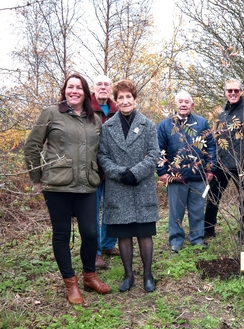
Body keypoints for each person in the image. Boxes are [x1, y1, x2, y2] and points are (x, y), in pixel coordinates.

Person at [24, 73, 110, 304]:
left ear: (85, 92)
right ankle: (70, 283)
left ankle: (89, 276)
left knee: (91, 234)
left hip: (87, 185)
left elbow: (102, 152)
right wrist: (37, 179)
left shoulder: (95, 119)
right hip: (57, 186)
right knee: (61, 234)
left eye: (78, 88)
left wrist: (99, 175)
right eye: (70, 87)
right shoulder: (51, 113)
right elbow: (31, 146)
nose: (74, 91)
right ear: (64, 91)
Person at [98, 79, 159, 293]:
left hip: (142, 186)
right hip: (118, 186)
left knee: (144, 233)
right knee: (123, 233)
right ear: (116, 100)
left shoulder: (148, 125)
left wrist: (136, 172)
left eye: (128, 97)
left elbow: (154, 154)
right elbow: (102, 156)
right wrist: (119, 173)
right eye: (121, 98)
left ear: (134, 99)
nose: (125, 101)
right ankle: (128, 275)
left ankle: (148, 275)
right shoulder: (107, 127)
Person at [157, 90, 216, 253]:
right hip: (175, 177)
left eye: (186, 102)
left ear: (192, 105)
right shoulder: (165, 124)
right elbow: (159, 149)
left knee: (197, 209)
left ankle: (197, 239)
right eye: (180, 101)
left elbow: (210, 146)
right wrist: (162, 172)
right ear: (176, 104)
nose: (183, 104)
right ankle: (176, 241)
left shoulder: (202, 123)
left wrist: (210, 168)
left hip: (198, 176)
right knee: (176, 211)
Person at [204, 79, 244, 241]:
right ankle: (208, 229)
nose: (233, 93)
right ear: (225, 92)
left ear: (241, 91)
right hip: (222, 164)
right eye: (229, 91)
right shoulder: (223, 112)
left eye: (236, 90)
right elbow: (217, 138)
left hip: (242, 164)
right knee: (213, 195)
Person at [91, 74, 120, 269]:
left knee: (113, 209)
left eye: (106, 84)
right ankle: (94, 253)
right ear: (93, 87)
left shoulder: (117, 110)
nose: (103, 87)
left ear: (111, 89)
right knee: (91, 212)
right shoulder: (85, 108)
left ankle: (108, 244)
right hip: (91, 169)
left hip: (112, 170)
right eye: (99, 84)